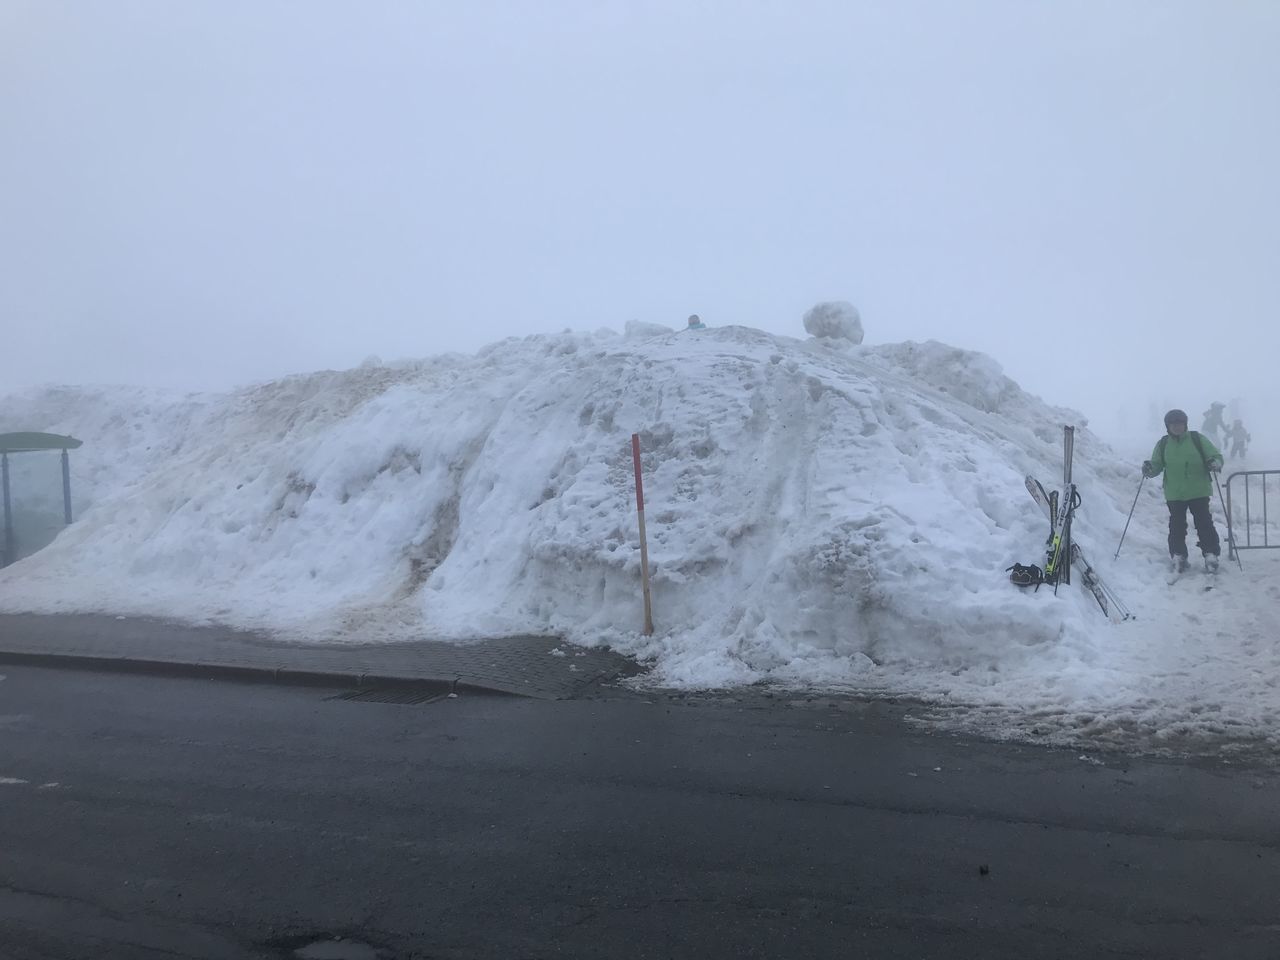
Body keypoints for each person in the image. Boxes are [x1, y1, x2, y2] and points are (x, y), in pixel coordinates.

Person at [1143, 408, 1224, 573]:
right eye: (1173, 424)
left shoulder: (1197, 439)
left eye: (1180, 424)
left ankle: (1211, 554)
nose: (1177, 427)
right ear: (1168, 426)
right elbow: (1157, 464)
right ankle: (1178, 555)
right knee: (1176, 526)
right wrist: (1149, 468)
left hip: (1198, 490)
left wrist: (1214, 462)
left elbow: (1216, 456)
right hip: (1175, 493)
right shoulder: (1163, 443)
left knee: (1204, 523)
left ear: (1185, 424)